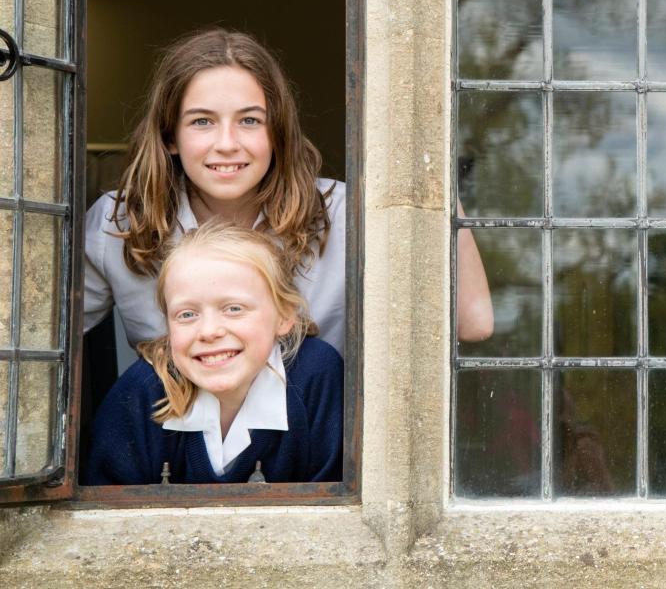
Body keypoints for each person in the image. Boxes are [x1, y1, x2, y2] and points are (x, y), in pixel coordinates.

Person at [83, 27, 494, 355]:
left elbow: (473, 321)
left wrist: (425, 155)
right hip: (174, 456)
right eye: (202, 122)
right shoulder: (118, 222)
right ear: (170, 136)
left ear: (277, 133)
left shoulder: (342, 214)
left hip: (316, 452)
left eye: (250, 121)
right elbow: (40, 341)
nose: (227, 143)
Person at [84, 221, 343, 484]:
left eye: (234, 309)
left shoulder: (316, 374)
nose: (209, 331)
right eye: (187, 314)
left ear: (284, 316)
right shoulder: (142, 390)